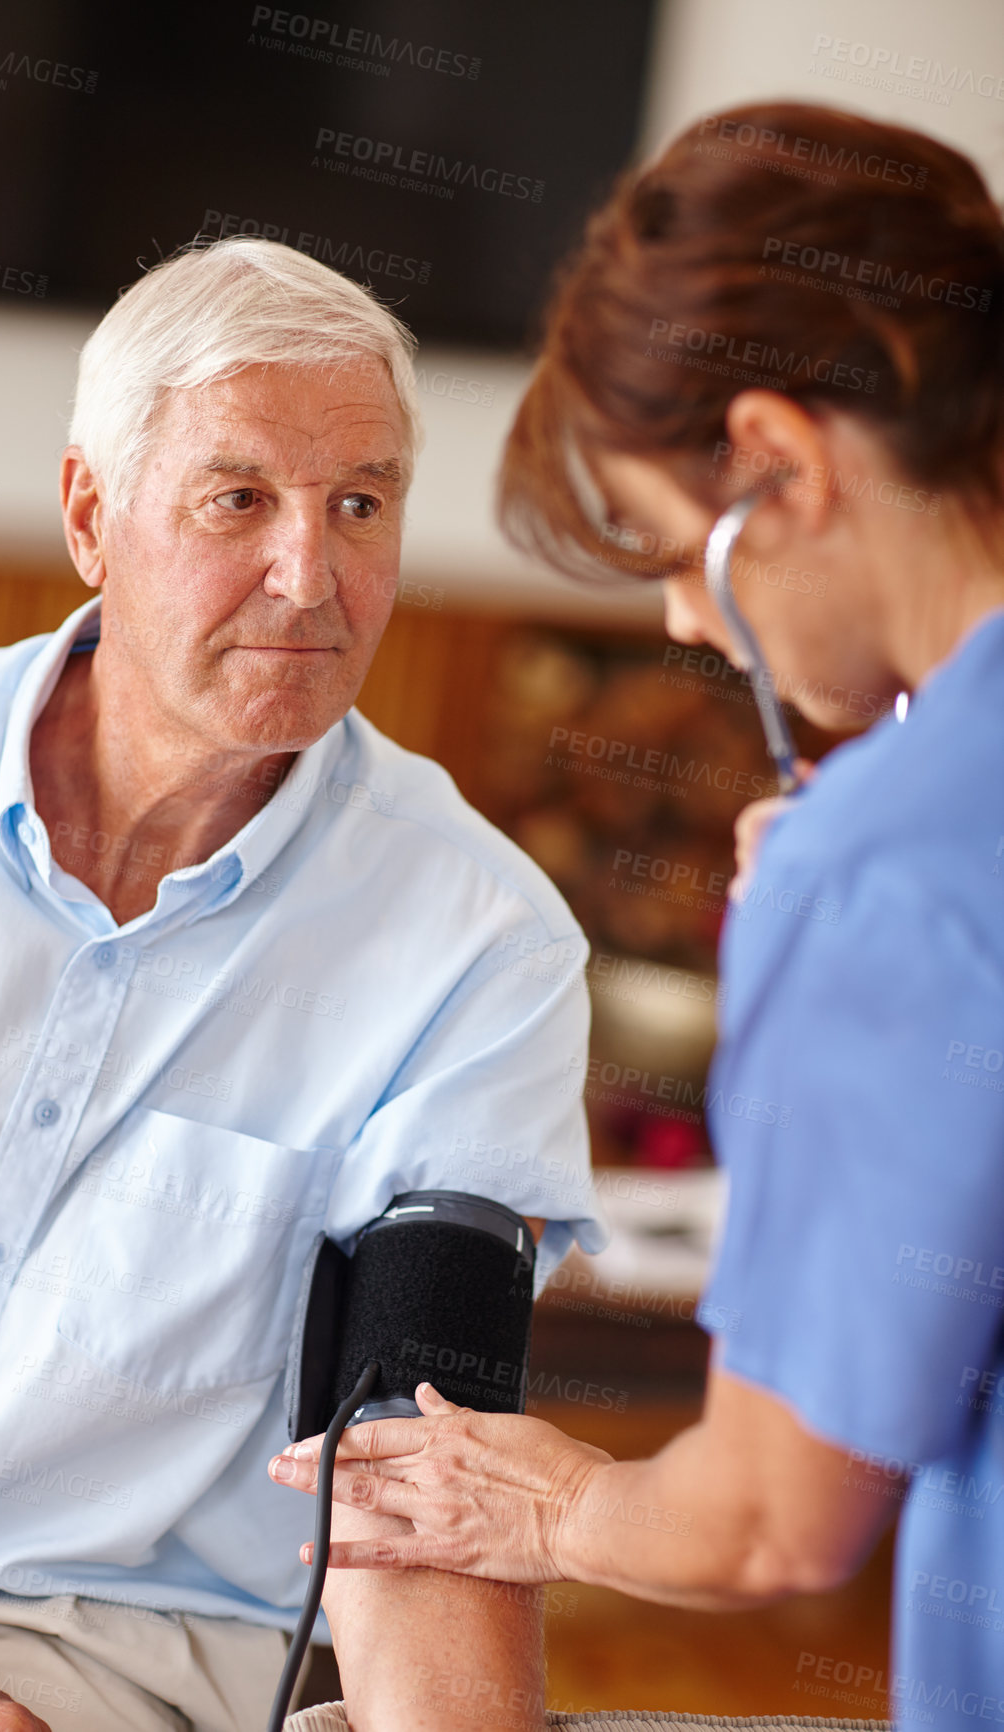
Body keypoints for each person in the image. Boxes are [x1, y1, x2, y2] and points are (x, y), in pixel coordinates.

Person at [272, 102, 1004, 1729]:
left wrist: (552, 1507)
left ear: (778, 462)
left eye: (676, 551)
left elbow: (768, 1521)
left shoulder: (883, 863)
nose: (685, 617)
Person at [0, 236, 606, 1731]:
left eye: (359, 505)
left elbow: (415, 1468)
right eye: (238, 497)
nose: (307, 574)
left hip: (97, 1651)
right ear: (91, 514)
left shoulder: (475, 942)